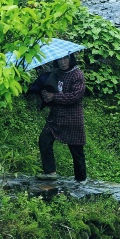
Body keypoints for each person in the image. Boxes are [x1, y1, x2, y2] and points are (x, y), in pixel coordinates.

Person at [37, 53, 87, 182]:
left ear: (71, 59)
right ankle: (50, 172)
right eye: (59, 59)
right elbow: (50, 88)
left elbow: (75, 96)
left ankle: (81, 180)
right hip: (56, 116)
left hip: (72, 118)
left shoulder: (77, 75)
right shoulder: (56, 73)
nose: (62, 62)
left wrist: (54, 97)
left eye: (65, 58)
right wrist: (46, 95)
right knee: (44, 139)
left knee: (76, 151)